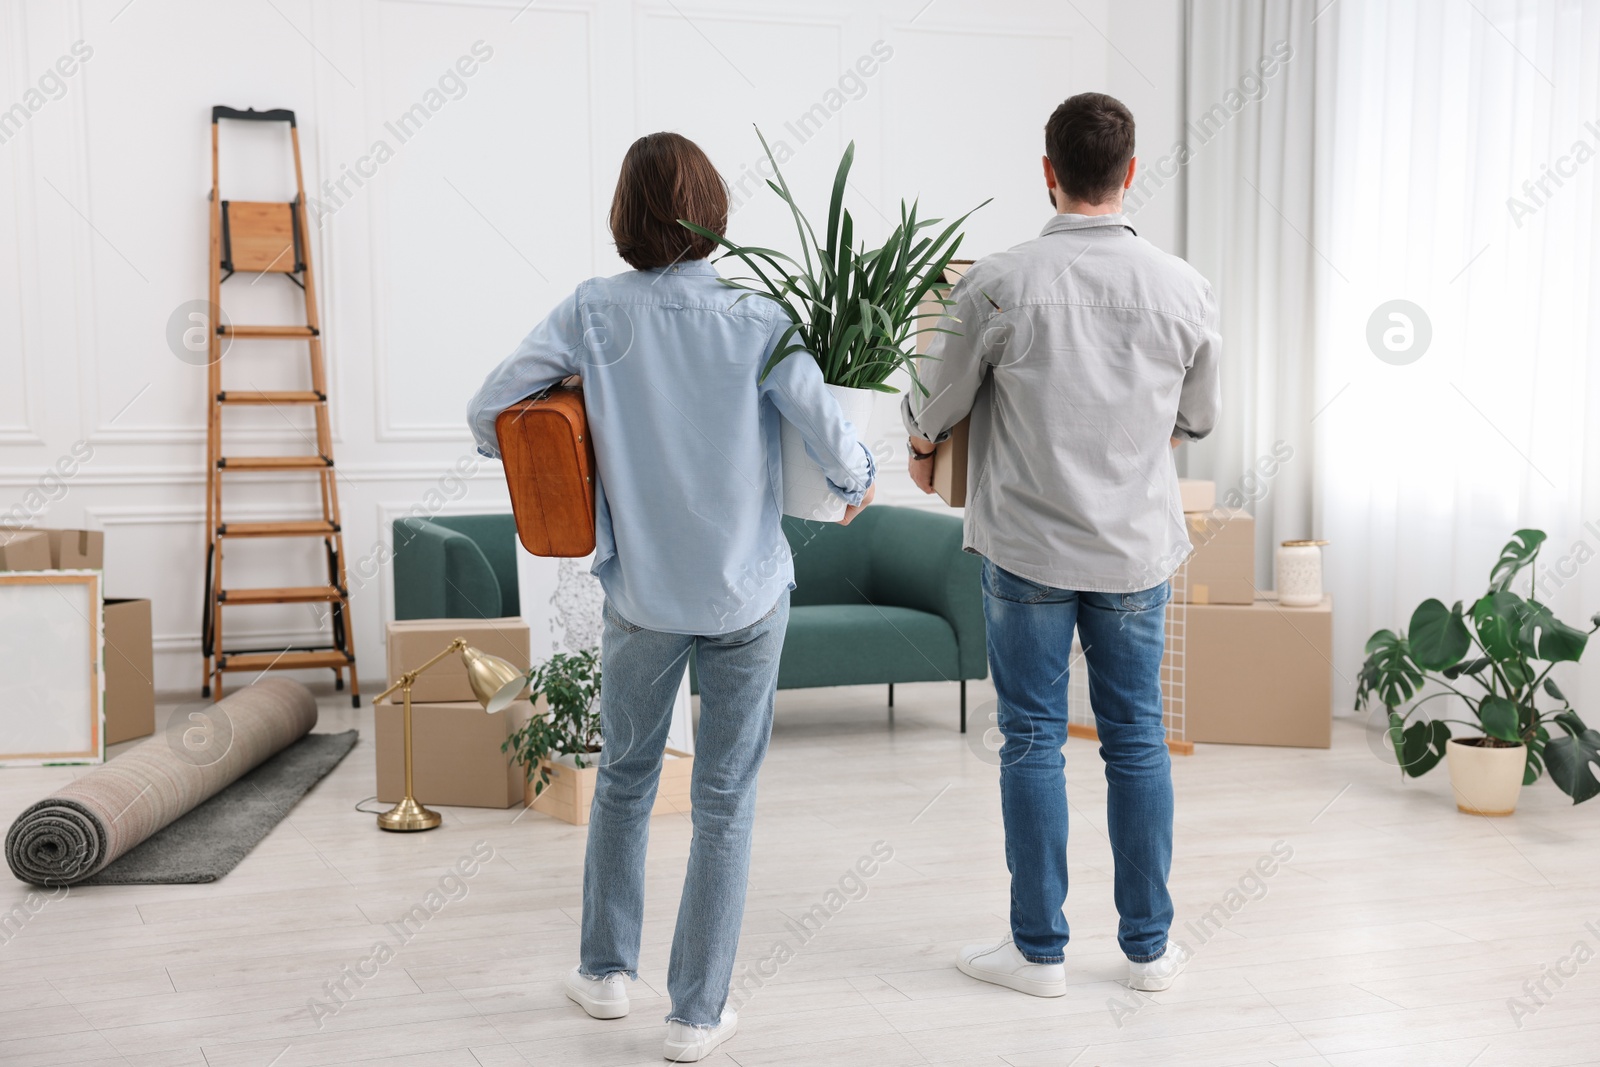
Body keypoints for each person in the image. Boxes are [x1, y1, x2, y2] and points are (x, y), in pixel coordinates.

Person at [467, 132, 875, 1062]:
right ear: (712, 208)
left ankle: (606, 974)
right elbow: (827, 431)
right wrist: (857, 482)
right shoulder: (757, 312)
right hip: (745, 596)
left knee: (624, 780)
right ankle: (696, 1015)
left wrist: (574, 394)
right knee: (725, 800)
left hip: (643, 597)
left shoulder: (595, 312)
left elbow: (488, 410)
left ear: (626, 216)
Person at [902, 92, 1220, 998]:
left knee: (1033, 740)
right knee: (1138, 740)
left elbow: (935, 402)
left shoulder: (999, 279)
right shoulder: (1183, 286)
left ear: (1048, 172)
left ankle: (1038, 952)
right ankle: (1150, 950)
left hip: (1026, 549)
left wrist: (924, 444)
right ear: (1128, 173)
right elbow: (1197, 417)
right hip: (1134, 552)